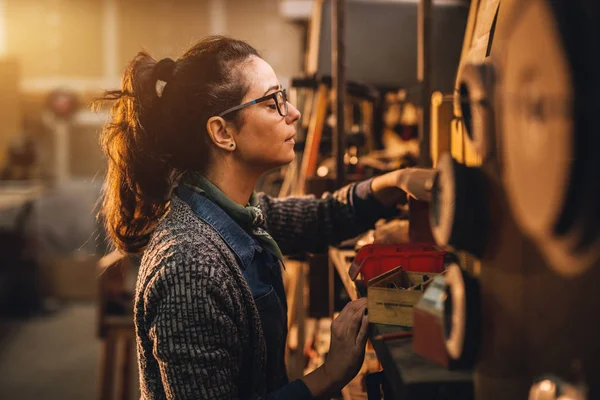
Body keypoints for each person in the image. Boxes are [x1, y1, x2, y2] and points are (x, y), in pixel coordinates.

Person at [98, 36, 421, 399]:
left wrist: (398, 180)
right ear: (223, 133)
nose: (293, 113)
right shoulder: (189, 265)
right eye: (272, 102)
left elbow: (325, 217)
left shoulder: (234, 214)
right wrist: (331, 373)